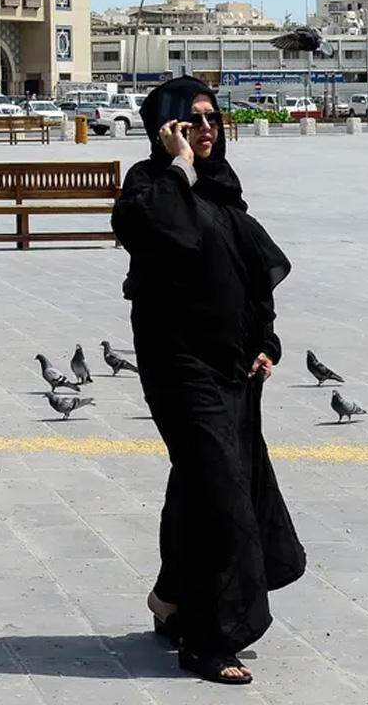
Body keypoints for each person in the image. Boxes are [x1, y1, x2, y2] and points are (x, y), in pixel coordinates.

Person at [111, 77, 304, 685]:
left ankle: (172, 597)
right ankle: (209, 636)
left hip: (235, 368)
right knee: (218, 490)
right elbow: (168, 234)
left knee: (208, 485)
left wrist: (266, 341)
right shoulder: (148, 186)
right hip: (179, 366)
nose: (206, 128)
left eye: (212, 119)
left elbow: (250, 273)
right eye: (190, 119)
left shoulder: (223, 189)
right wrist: (177, 167)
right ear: (165, 126)